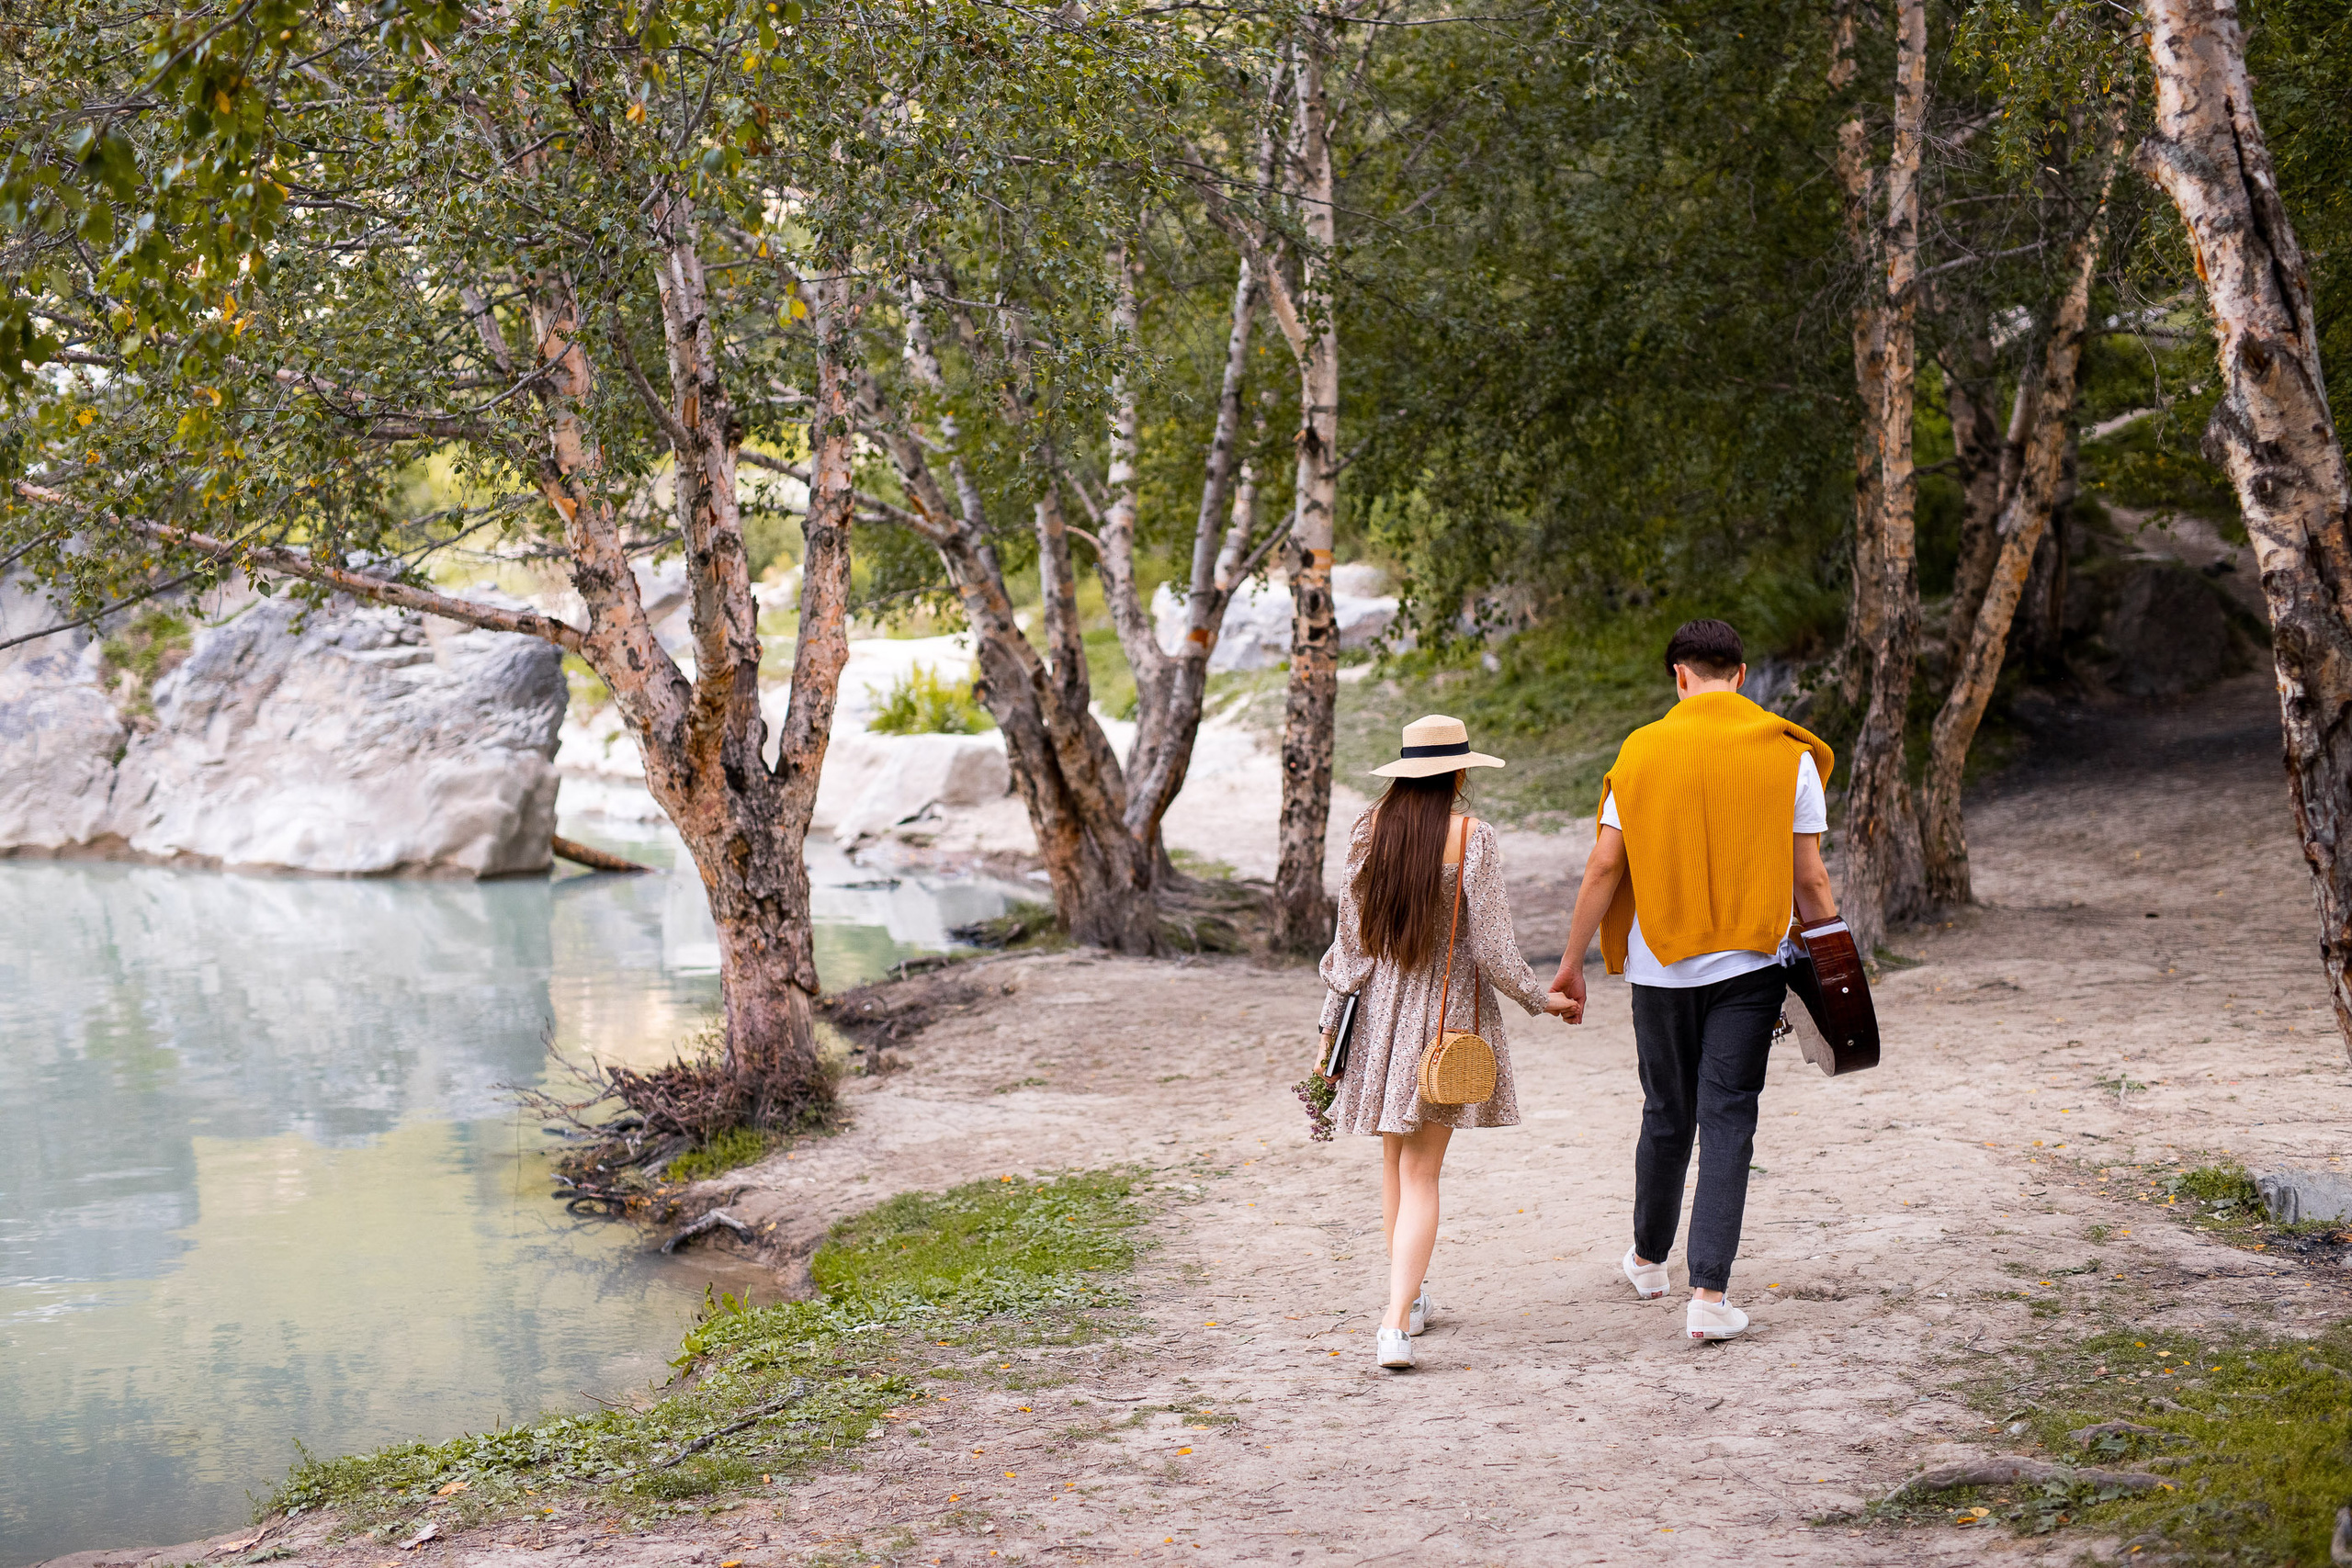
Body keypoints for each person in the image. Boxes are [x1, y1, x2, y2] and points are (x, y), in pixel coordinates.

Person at [1547, 619, 1839, 1342]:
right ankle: (1708, 1293)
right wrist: (1837, 967)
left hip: (1659, 967)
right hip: (1748, 969)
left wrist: (1571, 961)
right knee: (1729, 1118)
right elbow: (1810, 881)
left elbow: (1605, 867)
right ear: (1739, 675)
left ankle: (1649, 1259)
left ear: (1679, 676)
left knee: (1665, 1112)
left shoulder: (1641, 750)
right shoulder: (1787, 753)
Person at [1318, 715, 1563, 1372]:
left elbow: (1351, 943)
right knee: (1423, 1172)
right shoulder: (1472, 837)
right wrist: (1544, 998)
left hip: (1381, 1014)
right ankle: (1393, 1322)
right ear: (1458, 772)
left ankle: (1412, 1295)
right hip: (1445, 1016)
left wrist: (1333, 1012)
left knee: (1396, 1166)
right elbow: (1494, 948)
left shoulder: (1371, 829)